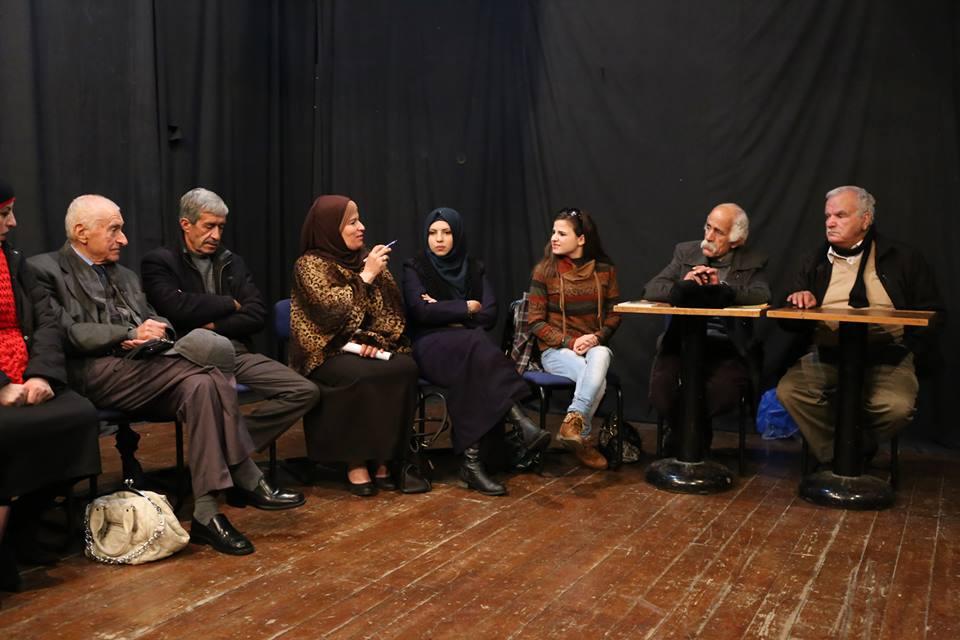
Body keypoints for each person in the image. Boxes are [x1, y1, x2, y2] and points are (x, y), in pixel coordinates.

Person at [29, 194, 304, 557]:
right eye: (114, 230)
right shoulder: (44, 270)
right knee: (211, 353)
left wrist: (157, 331)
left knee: (203, 383)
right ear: (82, 232)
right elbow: (65, 333)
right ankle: (244, 470)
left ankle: (206, 513)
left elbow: (160, 317)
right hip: (94, 371)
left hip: (148, 366)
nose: (124, 239)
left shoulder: (124, 275)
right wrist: (129, 334)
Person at [141, 187, 319, 450]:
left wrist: (213, 324)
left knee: (304, 391)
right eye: (209, 226)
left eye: (221, 227)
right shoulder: (160, 262)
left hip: (236, 353)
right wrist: (229, 303)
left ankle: (233, 444)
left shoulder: (231, 261)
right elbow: (174, 308)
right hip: (189, 358)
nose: (216, 235)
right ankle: (225, 453)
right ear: (186, 224)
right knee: (208, 397)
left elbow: (257, 314)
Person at [776, 186, 942, 463]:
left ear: (865, 220)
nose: (830, 222)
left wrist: (910, 348)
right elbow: (786, 316)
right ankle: (841, 457)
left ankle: (851, 449)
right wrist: (798, 301)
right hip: (828, 354)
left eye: (840, 215)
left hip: (887, 355)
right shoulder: (814, 261)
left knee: (896, 407)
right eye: (828, 216)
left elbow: (934, 313)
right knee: (791, 392)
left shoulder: (902, 258)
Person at [402, 207, 551, 496]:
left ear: (457, 235)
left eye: (446, 232)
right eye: (433, 233)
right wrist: (465, 307)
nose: (439, 239)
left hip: (468, 348)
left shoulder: (473, 267)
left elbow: (490, 314)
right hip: (430, 346)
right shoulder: (415, 267)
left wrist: (442, 309)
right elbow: (420, 312)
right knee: (478, 344)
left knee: (473, 360)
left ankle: (471, 464)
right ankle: (519, 421)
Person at [0, 181, 100, 590]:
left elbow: (46, 322)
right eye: (3, 214)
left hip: (27, 373)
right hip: (3, 384)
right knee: (6, 432)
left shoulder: (14, 260)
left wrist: (40, 374)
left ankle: (22, 526)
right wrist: (2, 385)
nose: (12, 222)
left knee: (79, 417)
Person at [290, 195, 419, 497]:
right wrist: (366, 277)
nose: (362, 227)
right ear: (329, 229)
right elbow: (330, 313)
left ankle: (385, 459)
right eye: (352, 222)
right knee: (359, 374)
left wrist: (374, 340)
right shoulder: (309, 265)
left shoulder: (366, 258)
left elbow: (393, 312)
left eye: (359, 220)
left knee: (404, 366)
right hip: (325, 351)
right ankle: (356, 461)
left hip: (367, 346)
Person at [642, 203, 770, 453]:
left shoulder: (752, 260)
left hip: (726, 346)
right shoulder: (685, 253)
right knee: (662, 392)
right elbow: (651, 288)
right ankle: (691, 442)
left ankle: (687, 443)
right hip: (681, 342)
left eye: (718, 232)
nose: (708, 236)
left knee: (720, 393)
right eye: (708, 227)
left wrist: (721, 288)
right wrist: (684, 285)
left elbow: (761, 293)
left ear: (736, 239)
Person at [525, 207, 621, 470]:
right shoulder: (544, 271)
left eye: (562, 233)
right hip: (556, 350)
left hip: (592, 346)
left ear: (581, 239)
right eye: (553, 232)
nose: (554, 238)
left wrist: (597, 337)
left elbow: (615, 313)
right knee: (597, 380)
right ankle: (582, 435)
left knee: (602, 352)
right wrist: (569, 342)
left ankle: (572, 423)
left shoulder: (605, 270)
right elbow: (535, 321)